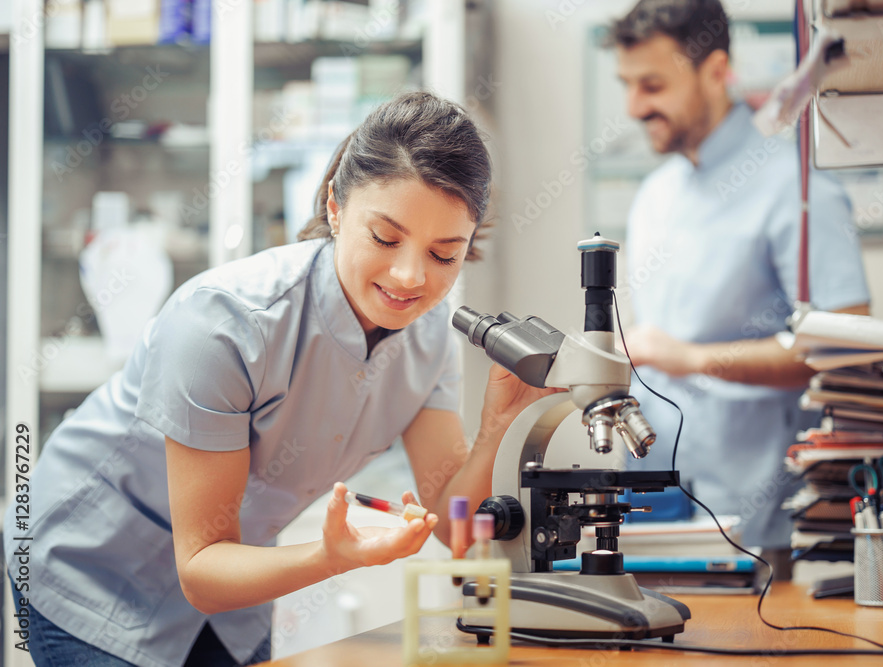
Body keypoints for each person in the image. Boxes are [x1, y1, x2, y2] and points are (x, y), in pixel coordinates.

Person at [4, 91, 552, 667]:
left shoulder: (430, 333)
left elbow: (449, 519)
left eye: (444, 255)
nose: (410, 276)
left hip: (235, 591)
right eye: (385, 238)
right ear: (336, 206)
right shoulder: (224, 322)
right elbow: (200, 567)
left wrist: (499, 427)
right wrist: (334, 556)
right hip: (94, 570)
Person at [607, 0, 871, 542]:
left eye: (652, 85)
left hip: (762, 525)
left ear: (717, 71)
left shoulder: (798, 189)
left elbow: (848, 348)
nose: (633, 106)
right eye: (626, 84)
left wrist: (695, 359)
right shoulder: (655, 195)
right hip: (656, 509)